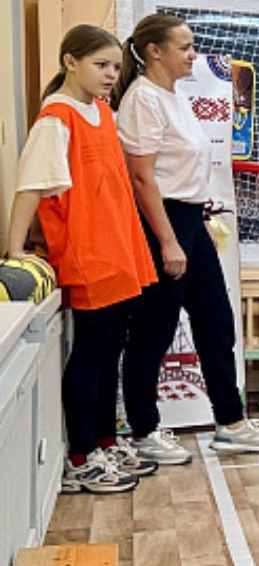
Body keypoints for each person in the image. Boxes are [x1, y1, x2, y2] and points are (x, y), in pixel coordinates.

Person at [115, 13, 259, 460]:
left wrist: (197, 221)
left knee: (216, 322)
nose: (193, 55)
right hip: (161, 222)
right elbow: (142, 178)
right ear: (155, 51)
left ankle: (230, 422)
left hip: (190, 219)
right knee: (153, 330)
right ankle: (144, 430)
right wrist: (168, 240)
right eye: (185, 47)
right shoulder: (142, 98)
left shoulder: (175, 96)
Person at [8, 25, 157, 493]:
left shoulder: (102, 112)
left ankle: (105, 441)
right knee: (90, 355)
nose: (111, 74)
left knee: (111, 351)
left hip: (119, 250)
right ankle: (80, 457)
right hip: (88, 254)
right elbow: (30, 188)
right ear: (70, 62)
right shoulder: (56, 118)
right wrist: (15, 251)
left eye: (115, 66)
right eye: (100, 65)